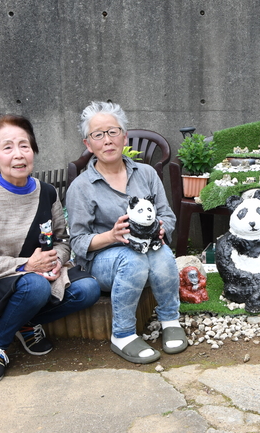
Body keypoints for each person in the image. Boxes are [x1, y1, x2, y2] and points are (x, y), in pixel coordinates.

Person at [0, 115, 101, 383]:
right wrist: (26, 266)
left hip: (43, 273)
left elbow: (62, 239)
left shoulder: (46, 192)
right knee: (34, 286)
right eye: (7, 147)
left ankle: (24, 321)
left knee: (89, 290)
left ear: (33, 150)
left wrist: (56, 262)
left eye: (24, 145)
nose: (18, 155)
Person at [66, 101, 187, 364]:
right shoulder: (81, 187)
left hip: (147, 257)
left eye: (113, 131)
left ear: (124, 136)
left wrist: (162, 227)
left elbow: (167, 214)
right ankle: (122, 335)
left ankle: (170, 319)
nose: (107, 140)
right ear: (88, 144)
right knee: (131, 259)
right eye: (98, 135)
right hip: (105, 264)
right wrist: (111, 236)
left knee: (164, 253)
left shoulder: (146, 174)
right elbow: (77, 241)